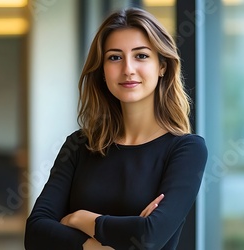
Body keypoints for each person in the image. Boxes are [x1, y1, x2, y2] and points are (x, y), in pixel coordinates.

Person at [24, 7, 208, 250]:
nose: (128, 69)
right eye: (114, 57)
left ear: (162, 65)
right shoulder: (80, 145)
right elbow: (35, 232)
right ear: (102, 70)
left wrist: (80, 218)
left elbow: (148, 236)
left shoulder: (186, 149)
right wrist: (94, 247)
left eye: (141, 56)